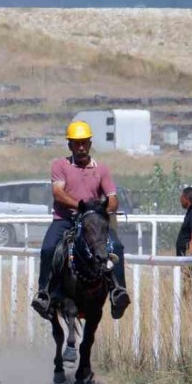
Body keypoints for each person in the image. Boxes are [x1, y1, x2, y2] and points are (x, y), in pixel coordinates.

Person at [30, 121, 130, 319]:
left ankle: (118, 292)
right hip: (65, 219)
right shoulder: (60, 165)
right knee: (48, 248)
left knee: (116, 247)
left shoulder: (101, 169)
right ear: (70, 145)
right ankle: (44, 293)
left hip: (93, 223)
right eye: (77, 143)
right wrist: (82, 208)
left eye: (84, 142)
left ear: (90, 144)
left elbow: (113, 199)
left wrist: (98, 213)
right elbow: (58, 193)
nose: (81, 147)